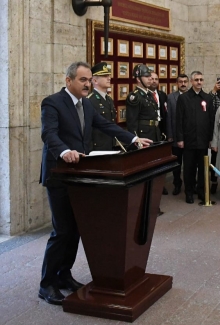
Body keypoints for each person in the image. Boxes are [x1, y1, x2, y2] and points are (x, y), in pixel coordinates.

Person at [39, 61, 152, 305]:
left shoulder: (86, 105)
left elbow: (106, 125)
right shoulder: (52, 102)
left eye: (89, 80)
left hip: (79, 175)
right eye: (83, 80)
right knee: (62, 231)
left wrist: (133, 138)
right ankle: (47, 284)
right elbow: (49, 134)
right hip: (59, 175)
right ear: (68, 81)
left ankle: (63, 276)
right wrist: (64, 151)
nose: (88, 84)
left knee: (77, 229)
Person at [176, 71, 214, 204]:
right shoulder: (184, 98)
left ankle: (202, 191)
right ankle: (189, 192)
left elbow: (211, 119)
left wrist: (211, 138)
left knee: (203, 168)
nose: (199, 82)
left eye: (201, 80)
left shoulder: (208, 98)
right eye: (196, 80)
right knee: (189, 168)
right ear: (191, 82)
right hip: (189, 139)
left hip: (203, 140)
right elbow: (179, 119)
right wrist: (180, 138)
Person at [166, 74, 189, 196]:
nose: (183, 84)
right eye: (181, 82)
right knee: (176, 163)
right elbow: (169, 117)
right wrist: (170, 135)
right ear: (177, 83)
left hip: (189, 136)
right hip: (175, 136)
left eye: (185, 81)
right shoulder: (171, 98)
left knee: (189, 163)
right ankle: (177, 184)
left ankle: (190, 185)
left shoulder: (192, 97)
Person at [126, 65, 160, 142]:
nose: (150, 78)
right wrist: (135, 139)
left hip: (153, 133)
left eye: (150, 76)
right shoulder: (135, 96)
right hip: (143, 135)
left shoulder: (150, 94)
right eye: (146, 76)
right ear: (138, 79)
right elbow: (132, 122)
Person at [86, 62, 116, 151]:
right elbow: (88, 129)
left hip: (110, 144)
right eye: (105, 76)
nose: (109, 78)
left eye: (109, 75)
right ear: (95, 81)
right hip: (98, 147)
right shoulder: (90, 100)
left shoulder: (109, 99)